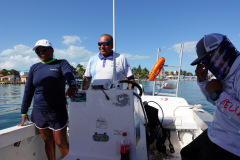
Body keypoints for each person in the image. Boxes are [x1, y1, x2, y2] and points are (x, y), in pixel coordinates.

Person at [180, 33, 240, 160]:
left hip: (231, 145)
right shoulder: (226, 72)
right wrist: (203, 82)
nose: (207, 66)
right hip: (214, 133)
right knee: (186, 153)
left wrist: (219, 95)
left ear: (220, 52)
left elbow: (219, 99)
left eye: (208, 60)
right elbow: (218, 103)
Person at [18, 39, 78, 160]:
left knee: (61, 142)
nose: (41, 52)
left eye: (44, 49)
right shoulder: (34, 68)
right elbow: (28, 91)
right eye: (38, 51)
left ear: (51, 50)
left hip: (57, 112)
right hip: (39, 111)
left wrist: (73, 85)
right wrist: (24, 111)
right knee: (47, 140)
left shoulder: (61, 63)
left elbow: (69, 74)